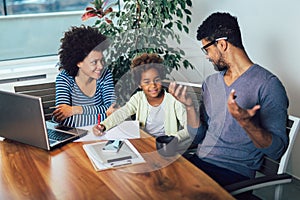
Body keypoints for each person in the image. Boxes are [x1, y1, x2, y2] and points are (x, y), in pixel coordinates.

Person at [169, 12, 289, 187]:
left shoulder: (268, 85)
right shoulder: (210, 83)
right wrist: (189, 105)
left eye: (207, 49)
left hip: (233, 173)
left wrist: (246, 123)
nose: (207, 56)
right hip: (199, 162)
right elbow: (198, 136)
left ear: (222, 44)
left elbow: (277, 150)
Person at [93, 53, 191, 145]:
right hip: (144, 143)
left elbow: (189, 128)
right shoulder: (138, 98)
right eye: (146, 82)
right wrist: (104, 125)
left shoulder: (174, 100)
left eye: (157, 80)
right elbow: (122, 113)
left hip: (165, 146)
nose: (153, 85)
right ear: (139, 85)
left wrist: (174, 139)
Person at [53, 25, 116, 127]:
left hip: (103, 136)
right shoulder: (64, 79)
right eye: (94, 62)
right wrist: (103, 115)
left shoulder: (105, 75)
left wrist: (76, 110)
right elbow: (64, 120)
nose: (100, 66)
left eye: (101, 60)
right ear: (78, 62)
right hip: (76, 140)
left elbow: (113, 111)